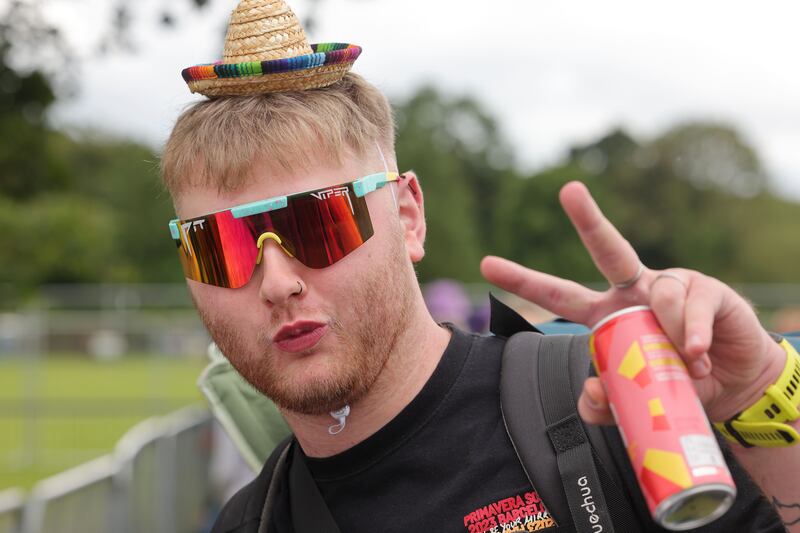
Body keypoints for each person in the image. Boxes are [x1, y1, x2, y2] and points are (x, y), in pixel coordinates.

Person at [160, 1, 799, 531]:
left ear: (407, 216)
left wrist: (760, 396)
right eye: (221, 247)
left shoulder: (615, 410)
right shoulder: (253, 522)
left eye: (319, 223)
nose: (278, 283)